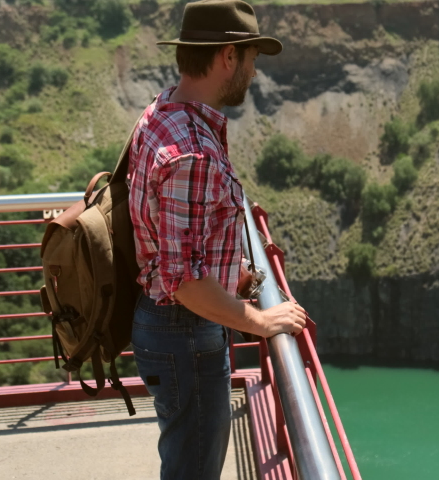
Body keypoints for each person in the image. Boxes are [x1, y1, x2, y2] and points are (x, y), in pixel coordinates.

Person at [126, 1, 307, 479]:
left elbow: (184, 242)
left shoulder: (163, 112)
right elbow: (183, 280)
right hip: (184, 333)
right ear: (228, 56)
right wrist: (262, 320)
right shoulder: (192, 153)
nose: (252, 72)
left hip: (168, 328)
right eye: (250, 59)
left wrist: (236, 276)